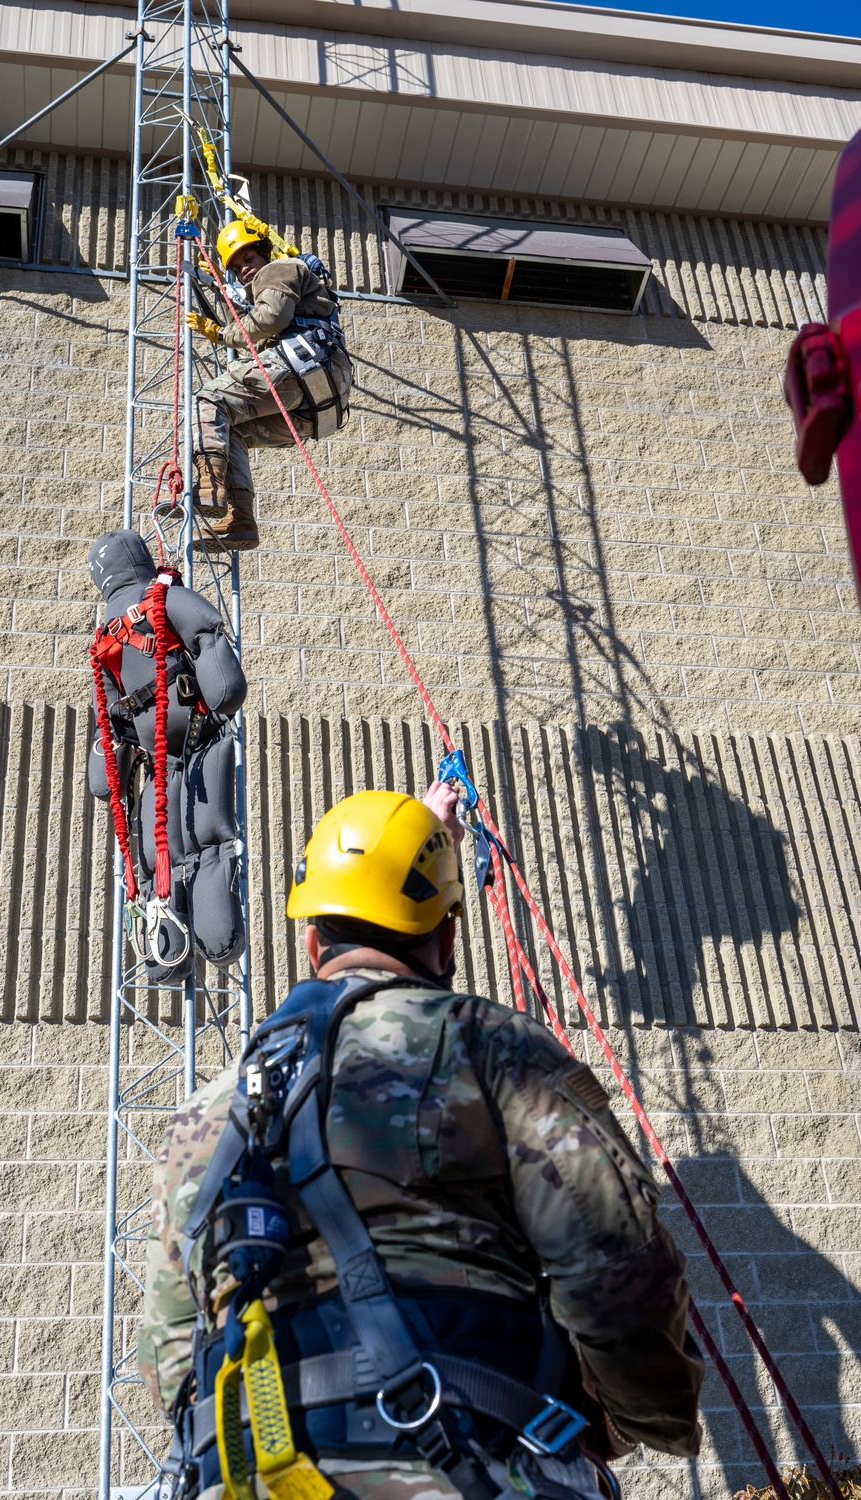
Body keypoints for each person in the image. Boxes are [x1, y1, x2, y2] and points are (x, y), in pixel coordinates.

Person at [137, 788, 704, 1500]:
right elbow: (616, 1266)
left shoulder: (207, 1115)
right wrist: (645, 1418)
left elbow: (169, 1351)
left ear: (312, 941)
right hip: (467, 1467)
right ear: (448, 938)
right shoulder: (495, 1050)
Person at [88, 529, 248, 979]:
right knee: (207, 841)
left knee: (161, 856)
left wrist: (106, 771)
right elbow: (209, 639)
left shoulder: (107, 637)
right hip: (197, 744)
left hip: (163, 759)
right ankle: (212, 939)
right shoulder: (165, 599)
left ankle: (170, 955)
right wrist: (221, 689)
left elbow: (108, 726)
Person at [186, 220, 353, 553]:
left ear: (264, 252)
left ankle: (210, 485)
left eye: (247, 258)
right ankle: (240, 521)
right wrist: (222, 290)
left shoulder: (280, 268)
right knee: (228, 431)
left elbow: (269, 319)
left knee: (208, 400)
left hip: (302, 367)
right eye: (235, 267)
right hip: (316, 405)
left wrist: (220, 334)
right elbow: (258, 327)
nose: (244, 269)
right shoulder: (277, 285)